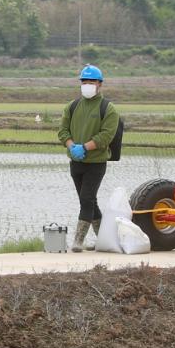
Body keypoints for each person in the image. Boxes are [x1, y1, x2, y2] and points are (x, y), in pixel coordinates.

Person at [57, 64, 121, 252]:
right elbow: (63, 131)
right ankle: (104, 240)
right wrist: (72, 147)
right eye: (84, 81)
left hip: (96, 162)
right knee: (89, 201)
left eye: (91, 81)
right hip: (76, 162)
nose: (87, 84)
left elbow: (106, 136)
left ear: (100, 84)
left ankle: (78, 240)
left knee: (86, 198)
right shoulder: (72, 106)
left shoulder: (108, 108)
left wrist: (85, 147)